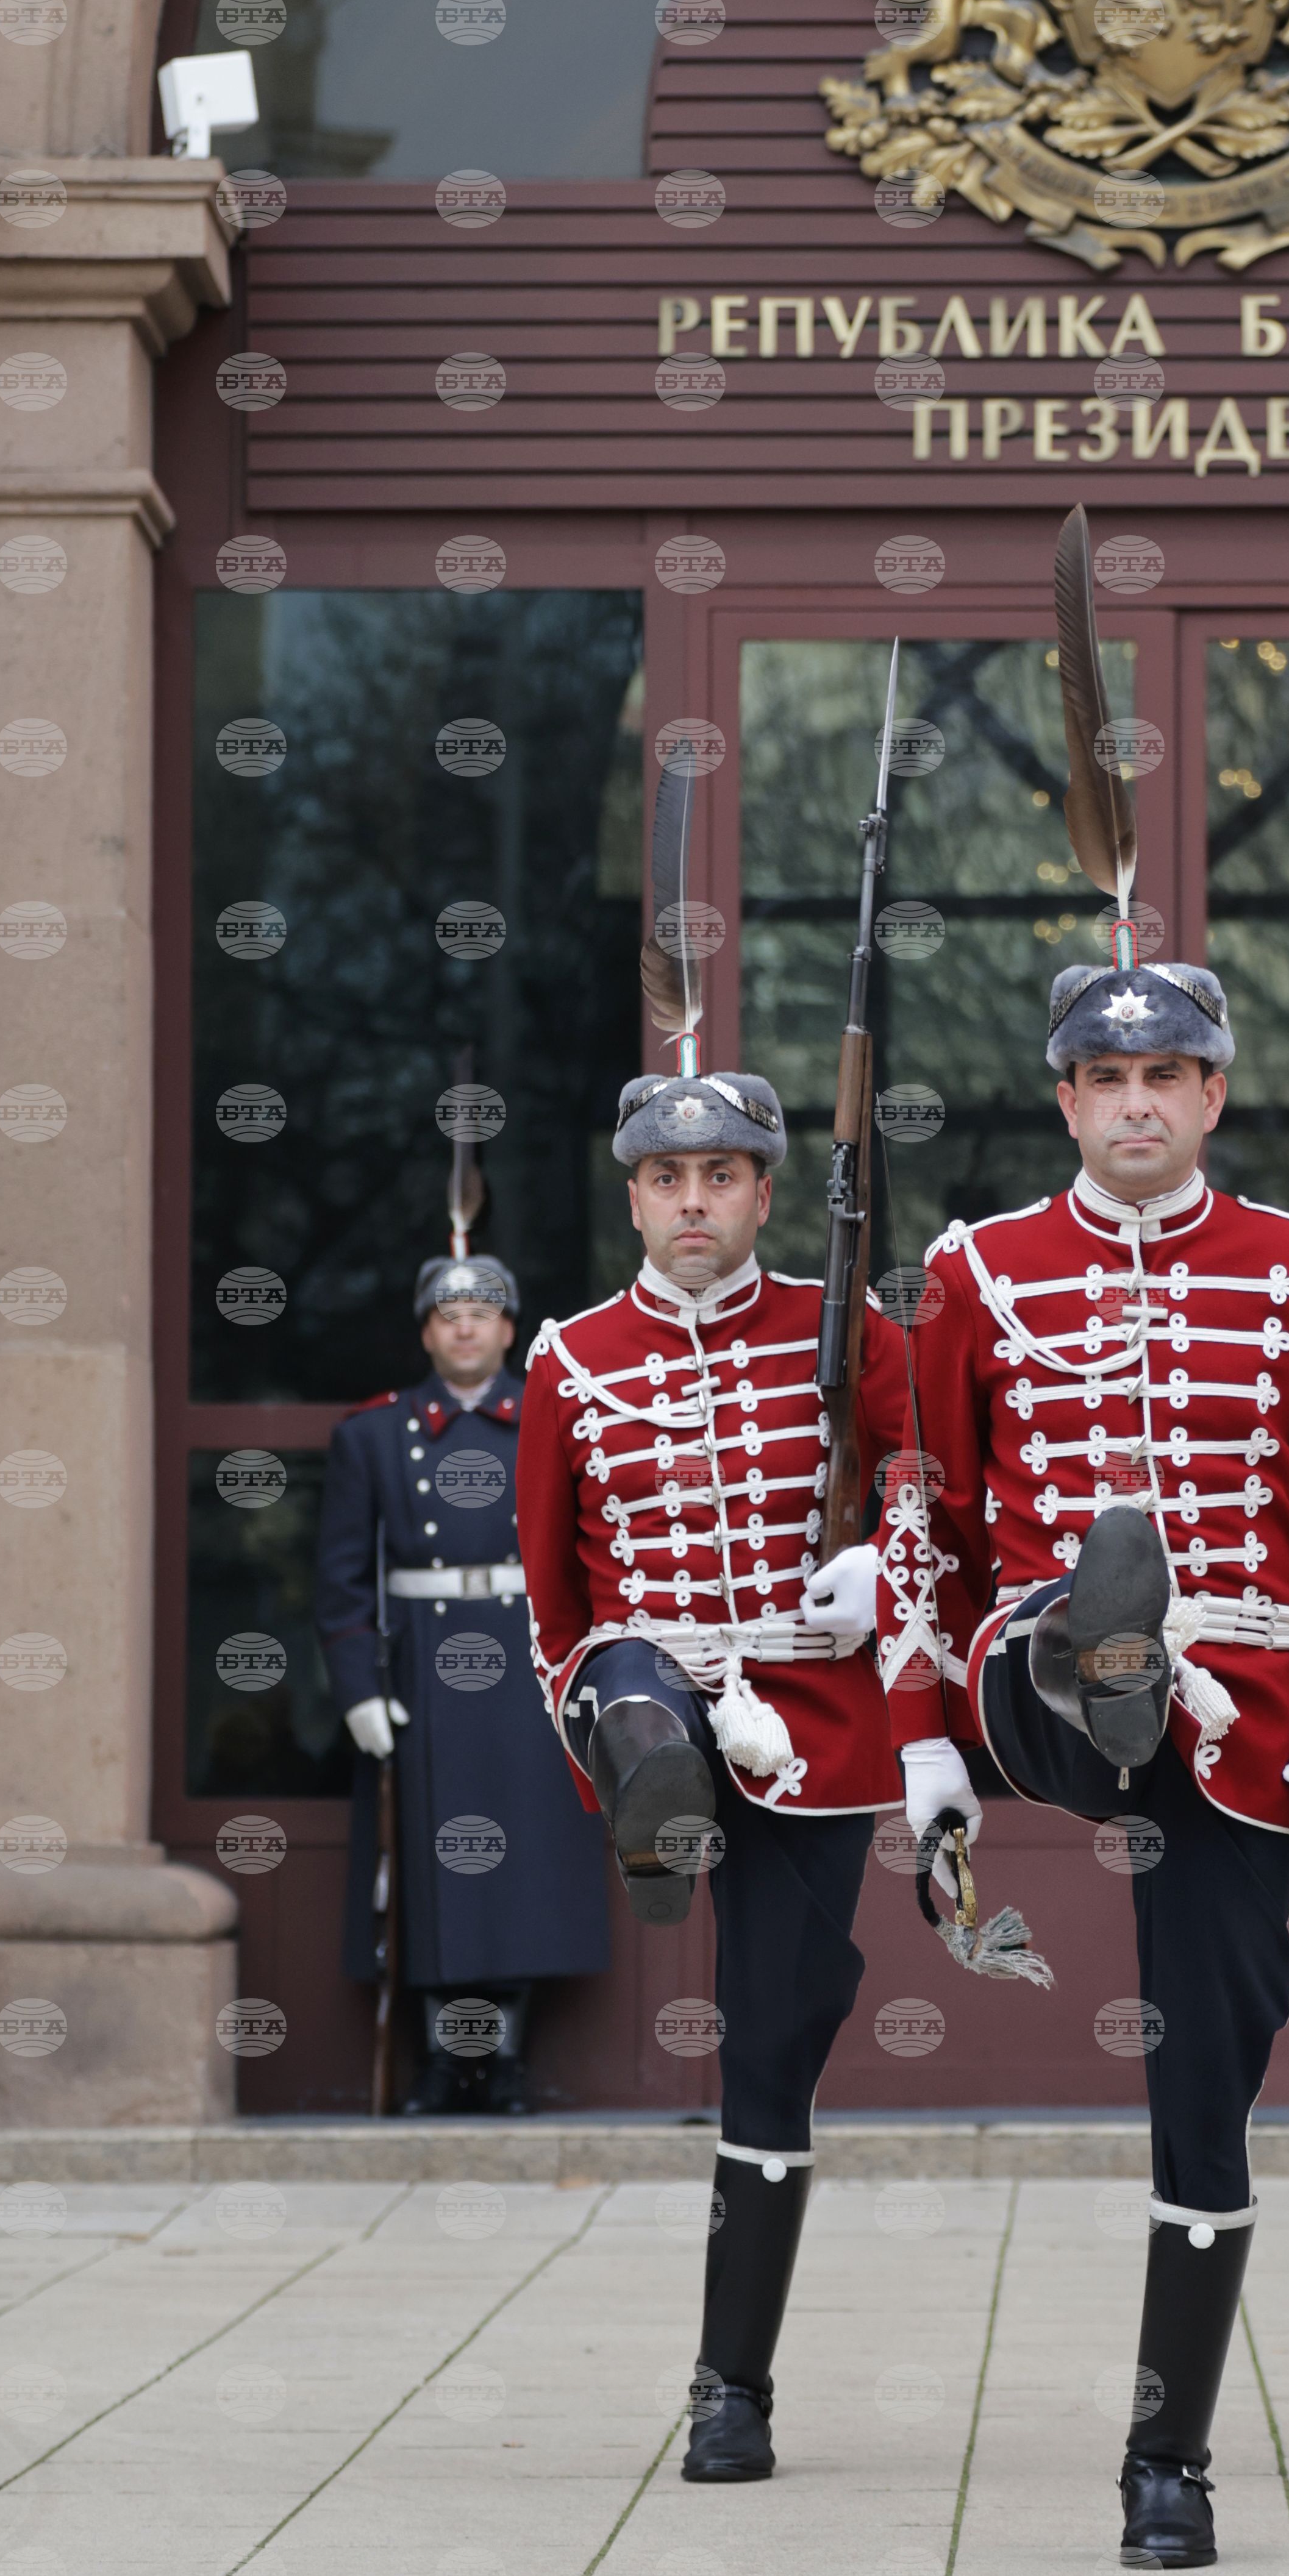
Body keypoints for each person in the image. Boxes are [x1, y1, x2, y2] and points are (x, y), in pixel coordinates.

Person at [874, 959, 1289, 2571]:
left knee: (1213, 2063)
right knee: (1070, 1645)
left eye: (1166, 1073)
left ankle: (1166, 2456)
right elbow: (923, 1522)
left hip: (1249, 1708)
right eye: (1103, 1075)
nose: (1134, 1099)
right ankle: (1105, 1653)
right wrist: (922, 1748)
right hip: (1028, 1663)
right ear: (1063, 1096)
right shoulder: (974, 1269)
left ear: (1212, 1094)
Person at [516, 1063, 909, 2483]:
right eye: (668, 1180)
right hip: (646, 1673)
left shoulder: (839, 1324)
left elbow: (926, 1489)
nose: (695, 1201)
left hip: (813, 1710)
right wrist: (598, 1703)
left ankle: (731, 2384)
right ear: (635, 1195)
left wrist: (886, 1560)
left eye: (723, 1177)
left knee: (774, 2044)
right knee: (633, 1694)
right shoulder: (571, 1358)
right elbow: (556, 1598)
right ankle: (653, 1807)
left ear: (761, 1192)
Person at [315, 1251, 609, 2115]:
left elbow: (592, 1553)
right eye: (449, 1315)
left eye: (483, 1312)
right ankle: (444, 2065)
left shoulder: (560, 1420)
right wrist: (357, 1688)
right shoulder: (371, 1434)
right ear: (427, 1332)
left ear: (509, 1328)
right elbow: (341, 1579)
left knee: (519, 1874)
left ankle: (506, 2063)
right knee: (432, 1880)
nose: (467, 1326)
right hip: (421, 1672)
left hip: (532, 1665)